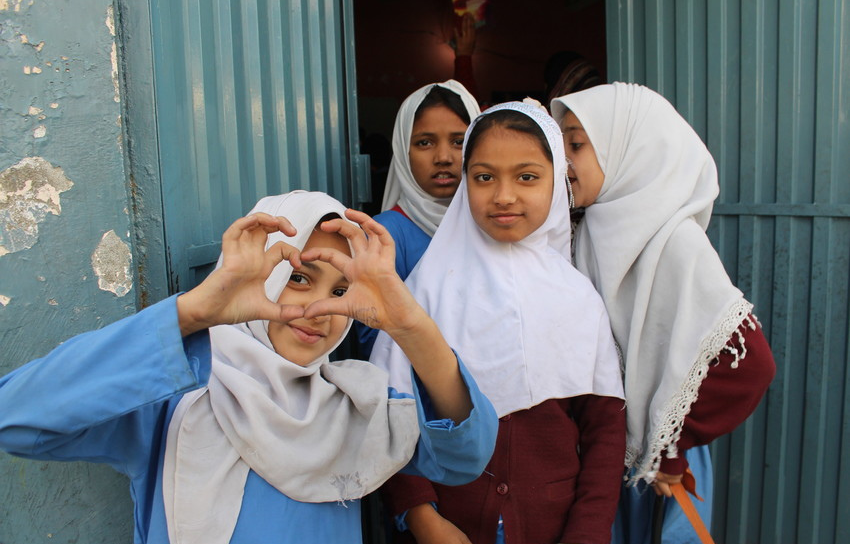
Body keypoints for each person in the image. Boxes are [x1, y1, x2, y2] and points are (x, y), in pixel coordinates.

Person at [0, 191, 498, 544]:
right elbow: (15, 417)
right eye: (300, 278)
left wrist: (410, 325)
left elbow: (464, 457)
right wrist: (193, 313)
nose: (321, 309)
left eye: (341, 291)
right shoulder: (175, 401)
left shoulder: (355, 411)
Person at [370, 101, 626, 544]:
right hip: (448, 525)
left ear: (556, 185)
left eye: (527, 177)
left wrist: (588, 532)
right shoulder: (427, 290)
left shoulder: (578, 297)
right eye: (484, 177)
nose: (504, 195)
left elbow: (604, 428)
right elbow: (388, 412)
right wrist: (421, 515)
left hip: (554, 526)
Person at [550, 83, 776, 543]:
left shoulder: (675, 243)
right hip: (601, 455)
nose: (564, 161)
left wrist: (667, 450)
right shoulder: (588, 230)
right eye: (561, 144)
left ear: (630, 150)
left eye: (576, 143)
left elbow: (752, 366)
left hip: (655, 469)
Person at [357, 79, 480, 357]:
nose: (443, 157)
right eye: (425, 142)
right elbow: (375, 343)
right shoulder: (384, 234)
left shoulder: (495, 224)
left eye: (459, 142)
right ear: (402, 151)